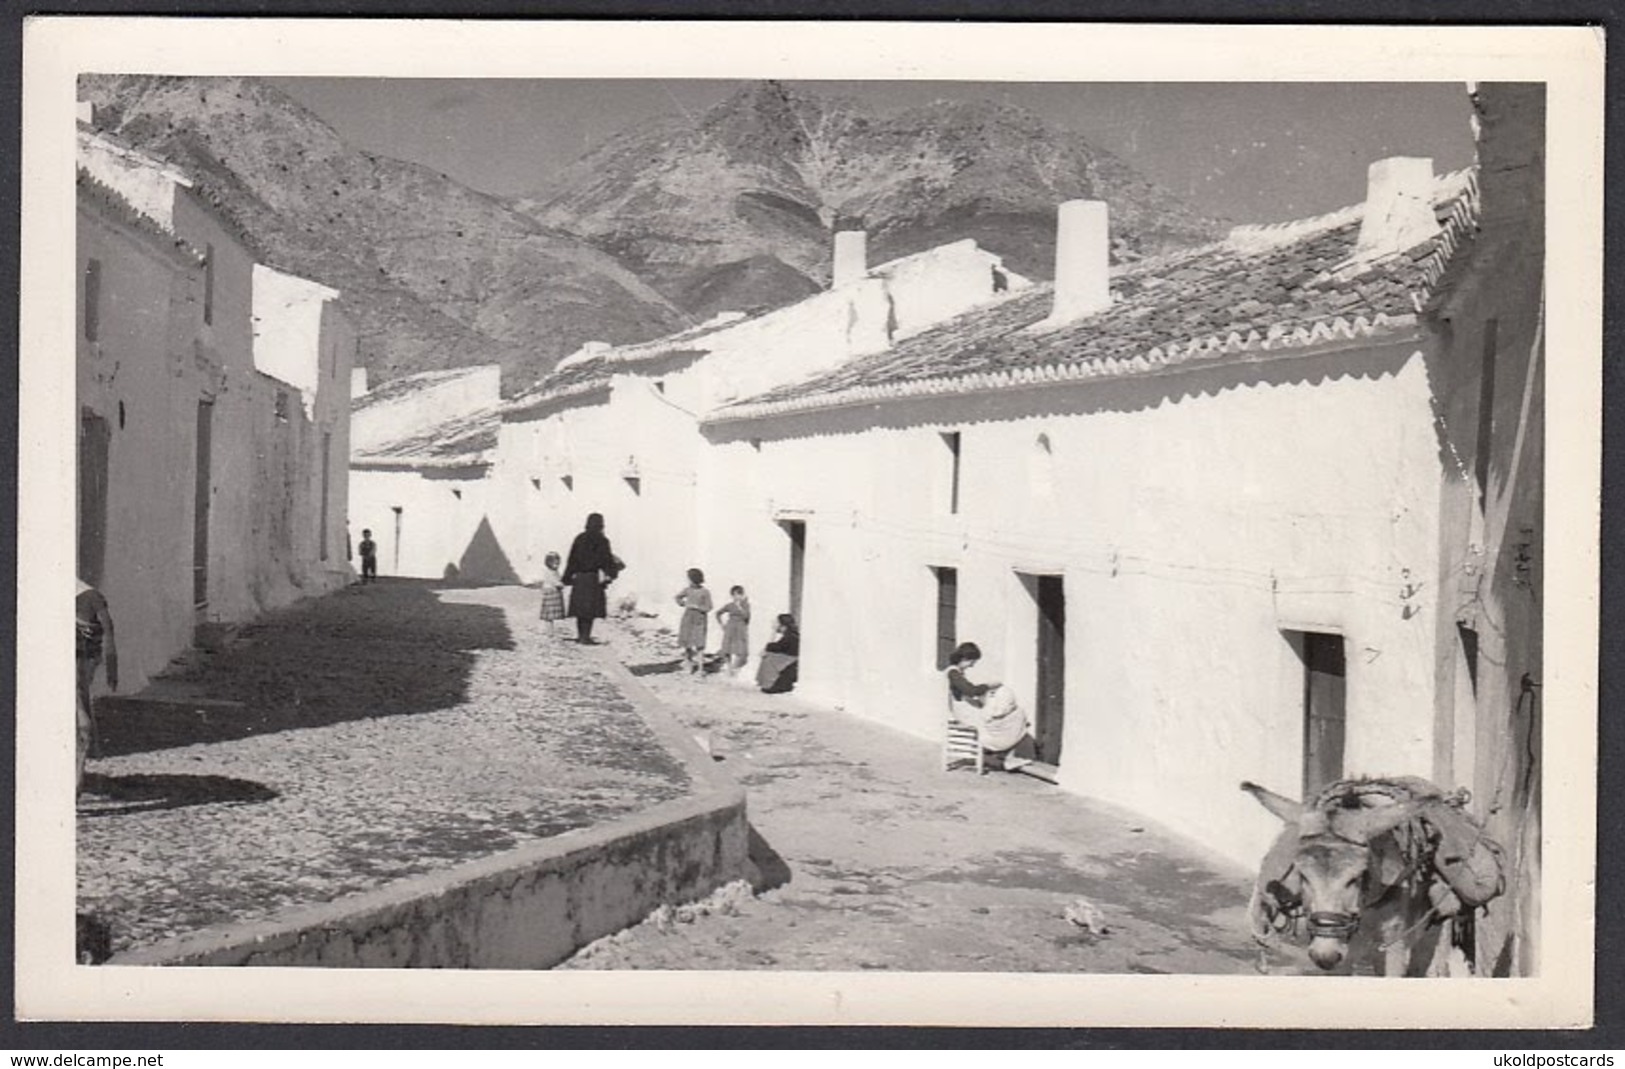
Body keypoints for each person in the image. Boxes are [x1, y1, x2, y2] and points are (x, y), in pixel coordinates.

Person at [945, 641, 1034, 772]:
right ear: (964, 659)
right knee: (1009, 719)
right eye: (972, 662)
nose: (972, 665)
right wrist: (990, 685)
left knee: (1006, 717)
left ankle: (1004, 754)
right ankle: (1006, 756)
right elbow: (971, 691)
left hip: (964, 708)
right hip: (963, 712)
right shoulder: (953, 673)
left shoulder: (955, 672)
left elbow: (969, 691)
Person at [76, 578, 118, 793]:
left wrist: (112, 663)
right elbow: (107, 627)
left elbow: (107, 627)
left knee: (81, 722)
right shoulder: (90, 596)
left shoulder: (89, 597)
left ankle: (76, 780)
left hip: (80, 661)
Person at [563, 513, 622, 644]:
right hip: (593, 577)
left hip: (580, 577)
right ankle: (586, 636)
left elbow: (572, 559)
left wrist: (567, 577)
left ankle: (580, 636)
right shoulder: (602, 540)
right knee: (590, 609)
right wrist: (612, 573)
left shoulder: (579, 538)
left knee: (580, 609)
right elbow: (606, 560)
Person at [675, 568, 712, 675]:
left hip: (699, 621)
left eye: (689, 579)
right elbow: (677, 597)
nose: (688, 581)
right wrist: (682, 603)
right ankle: (689, 666)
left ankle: (700, 669)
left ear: (694, 579)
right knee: (687, 644)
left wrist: (696, 606)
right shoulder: (687, 590)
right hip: (688, 618)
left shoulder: (705, 592)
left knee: (700, 645)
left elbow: (709, 607)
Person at [757, 613, 800, 693]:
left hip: (788, 664)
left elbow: (774, 647)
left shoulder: (790, 637)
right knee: (768, 654)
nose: (774, 624)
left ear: (782, 625)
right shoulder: (790, 635)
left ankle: (770, 683)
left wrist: (773, 632)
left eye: (777, 623)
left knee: (768, 657)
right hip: (788, 662)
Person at [716, 585, 751, 675]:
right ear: (732, 596)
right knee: (727, 648)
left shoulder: (746, 605)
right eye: (735, 595)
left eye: (739, 594)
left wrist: (740, 606)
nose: (737, 597)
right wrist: (722, 625)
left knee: (741, 649)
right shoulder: (729, 605)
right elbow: (718, 613)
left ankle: (736, 669)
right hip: (730, 627)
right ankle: (729, 668)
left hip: (740, 628)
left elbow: (747, 617)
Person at [537, 551, 567, 636]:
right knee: (549, 614)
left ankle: (550, 630)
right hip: (551, 592)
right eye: (555, 564)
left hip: (554, 592)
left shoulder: (555, 571)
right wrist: (561, 584)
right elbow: (555, 582)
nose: (557, 565)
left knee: (550, 614)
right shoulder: (549, 572)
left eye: (558, 564)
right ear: (549, 563)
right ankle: (549, 631)